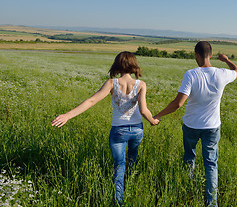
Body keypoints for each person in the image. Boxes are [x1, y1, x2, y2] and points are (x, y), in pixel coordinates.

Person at [51, 51, 159, 206]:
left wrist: (68, 115)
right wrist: (153, 121)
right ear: (134, 65)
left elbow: (92, 101)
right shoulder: (141, 84)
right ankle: (131, 188)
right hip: (136, 130)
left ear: (117, 64)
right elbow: (144, 110)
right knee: (132, 160)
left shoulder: (111, 83)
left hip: (118, 131)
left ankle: (118, 201)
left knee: (119, 165)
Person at [154, 41, 237, 206]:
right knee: (210, 164)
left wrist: (158, 115)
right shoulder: (222, 73)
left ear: (197, 55)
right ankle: (212, 203)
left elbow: (178, 103)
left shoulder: (191, 74)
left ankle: (188, 189)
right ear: (211, 54)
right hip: (213, 127)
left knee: (189, 158)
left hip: (191, 126)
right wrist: (227, 60)